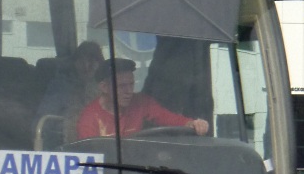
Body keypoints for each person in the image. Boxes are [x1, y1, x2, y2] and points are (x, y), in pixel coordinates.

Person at [76, 57, 210, 139]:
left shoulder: (141, 102)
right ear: (104, 87)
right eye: (122, 86)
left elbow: (169, 118)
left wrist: (193, 124)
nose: (129, 91)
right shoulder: (89, 118)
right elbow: (90, 158)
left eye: (131, 84)